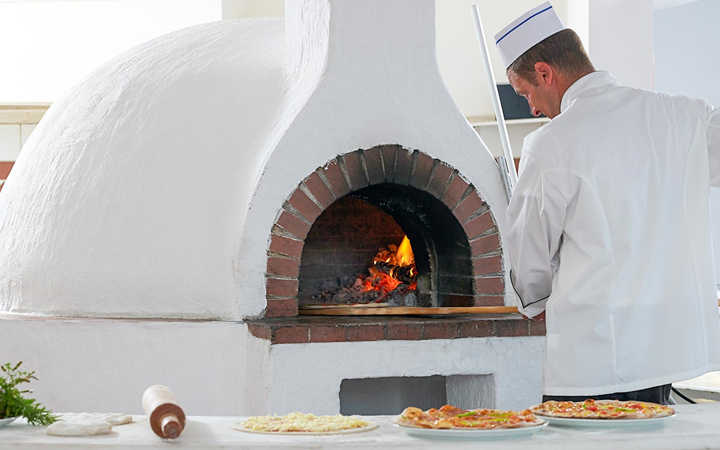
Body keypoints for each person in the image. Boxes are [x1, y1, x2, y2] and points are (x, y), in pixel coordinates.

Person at [496, 2, 720, 404]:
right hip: (663, 353)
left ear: (545, 72)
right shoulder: (683, 117)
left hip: (591, 358)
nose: (531, 107)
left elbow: (528, 251)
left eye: (526, 92)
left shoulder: (549, 144)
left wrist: (534, 303)